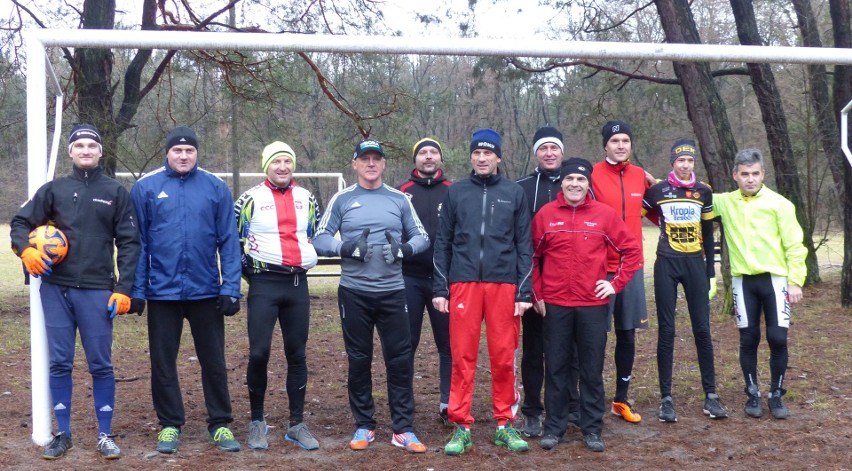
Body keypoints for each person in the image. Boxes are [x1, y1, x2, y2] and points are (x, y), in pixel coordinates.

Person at [10, 123, 141, 460]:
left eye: (91, 146)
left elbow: (129, 243)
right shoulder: (53, 190)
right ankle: (63, 433)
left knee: (101, 364)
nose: (85, 150)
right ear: (70, 151)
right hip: (56, 290)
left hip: (97, 290)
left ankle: (105, 434)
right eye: (79, 145)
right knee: (59, 363)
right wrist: (26, 250)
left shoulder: (116, 192)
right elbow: (20, 223)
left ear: (100, 151)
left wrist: (124, 288)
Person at [312, 138, 430, 453]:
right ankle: (365, 424)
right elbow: (320, 238)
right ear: (354, 164)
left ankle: (403, 429)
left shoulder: (399, 200)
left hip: (393, 292)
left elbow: (422, 236)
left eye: (376, 158)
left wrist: (404, 249)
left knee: (400, 360)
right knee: (359, 360)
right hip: (354, 293)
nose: (371, 164)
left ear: (384, 164)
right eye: (365, 159)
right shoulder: (342, 199)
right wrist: (344, 248)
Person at [131, 126, 243, 454]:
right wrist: (137, 289)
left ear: (196, 153)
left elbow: (229, 240)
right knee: (163, 361)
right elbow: (137, 243)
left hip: (206, 292)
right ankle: (169, 424)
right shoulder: (146, 188)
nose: (183, 156)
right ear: (167, 152)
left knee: (214, 360)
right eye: (177, 151)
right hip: (161, 292)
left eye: (189, 151)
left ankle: (220, 423)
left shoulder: (215, 187)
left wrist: (231, 287)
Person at [434, 128, 533, 456]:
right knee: (463, 356)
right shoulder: (457, 192)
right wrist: (440, 287)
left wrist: (524, 291)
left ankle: (505, 423)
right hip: (463, 283)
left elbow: (524, 245)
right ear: (471, 156)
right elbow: (442, 242)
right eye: (477, 153)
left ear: (498, 157)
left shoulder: (514, 193)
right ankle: (461, 425)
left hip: (504, 284)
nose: (481, 158)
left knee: (504, 357)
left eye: (488, 153)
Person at [532, 158, 642, 452]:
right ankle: (554, 427)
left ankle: (592, 428)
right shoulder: (546, 215)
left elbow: (632, 252)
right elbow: (531, 256)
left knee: (591, 370)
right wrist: (537, 293)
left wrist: (614, 284)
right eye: (570, 180)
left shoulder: (604, 216)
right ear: (562, 182)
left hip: (592, 304)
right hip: (555, 304)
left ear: (587, 184)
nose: (575, 184)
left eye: (580, 180)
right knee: (555, 367)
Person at [234, 141, 321, 450]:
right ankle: (257, 421)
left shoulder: (307, 197)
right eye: (276, 162)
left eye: (287, 161)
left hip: (297, 285)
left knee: (297, 353)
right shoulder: (249, 198)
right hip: (263, 285)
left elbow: (311, 234)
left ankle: (296, 424)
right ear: (265, 165)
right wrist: (251, 273)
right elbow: (234, 240)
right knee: (259, 352)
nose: (282, 166)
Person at [713, 148, 806, 420]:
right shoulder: (725, 202)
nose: (750, 179)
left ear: (763, 174)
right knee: (748, 338)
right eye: (745, 174)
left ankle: (776, 393)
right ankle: (752, 392)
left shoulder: (780, 204)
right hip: (743, 282)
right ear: (735, 176)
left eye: (755, 173)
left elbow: (795, 246)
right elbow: (693, 194)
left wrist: (795, 281)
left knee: (777, 338)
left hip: (775, 280)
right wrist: (653, 182)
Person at [643, 139, 727, 422]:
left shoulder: (704, 192)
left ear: (694, 164)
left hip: (694, 264)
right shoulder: (657, 191)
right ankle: (666, 398)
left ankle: (711, 396)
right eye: (680, 160)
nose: (685, 165)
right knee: (666, 331)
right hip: (666, 263)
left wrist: (711, 272)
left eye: (689, 161)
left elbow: (708, 230)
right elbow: (634, 216)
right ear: (672, 162)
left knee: (702, 330)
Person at [514, 126, 581, 437]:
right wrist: (529, 287)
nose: (550, 153)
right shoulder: (522, 188)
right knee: (534, 350)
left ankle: (571, 405)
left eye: (555, 147)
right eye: (544, 148)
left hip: (573, 284)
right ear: (536, 153)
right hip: (533, 283)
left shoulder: (578, 184)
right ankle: (532, 410)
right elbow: (519, 241)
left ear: (562, 152)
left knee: (572, 349)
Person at [591, 120, 650, 423]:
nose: (621, 145)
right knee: (596, 336)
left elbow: (659, 206)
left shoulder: (641, 176)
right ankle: (592, 400)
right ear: (606, 145)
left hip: (632, 268)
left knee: (627, 335)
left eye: (625, 140)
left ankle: (621, 400)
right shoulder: (592, 175)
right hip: (600, 270)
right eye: (615, 141)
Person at [396, 137, 453, 425]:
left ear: (441, 158)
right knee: (407, 344)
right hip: (409, 279)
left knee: (449, 345)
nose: (428, 157)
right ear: (415, 159)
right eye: (423, 153)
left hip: (446, 282)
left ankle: (448, 403)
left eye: (433, 152)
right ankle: (405, 405)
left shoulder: (454, 192)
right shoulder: (401, 193)